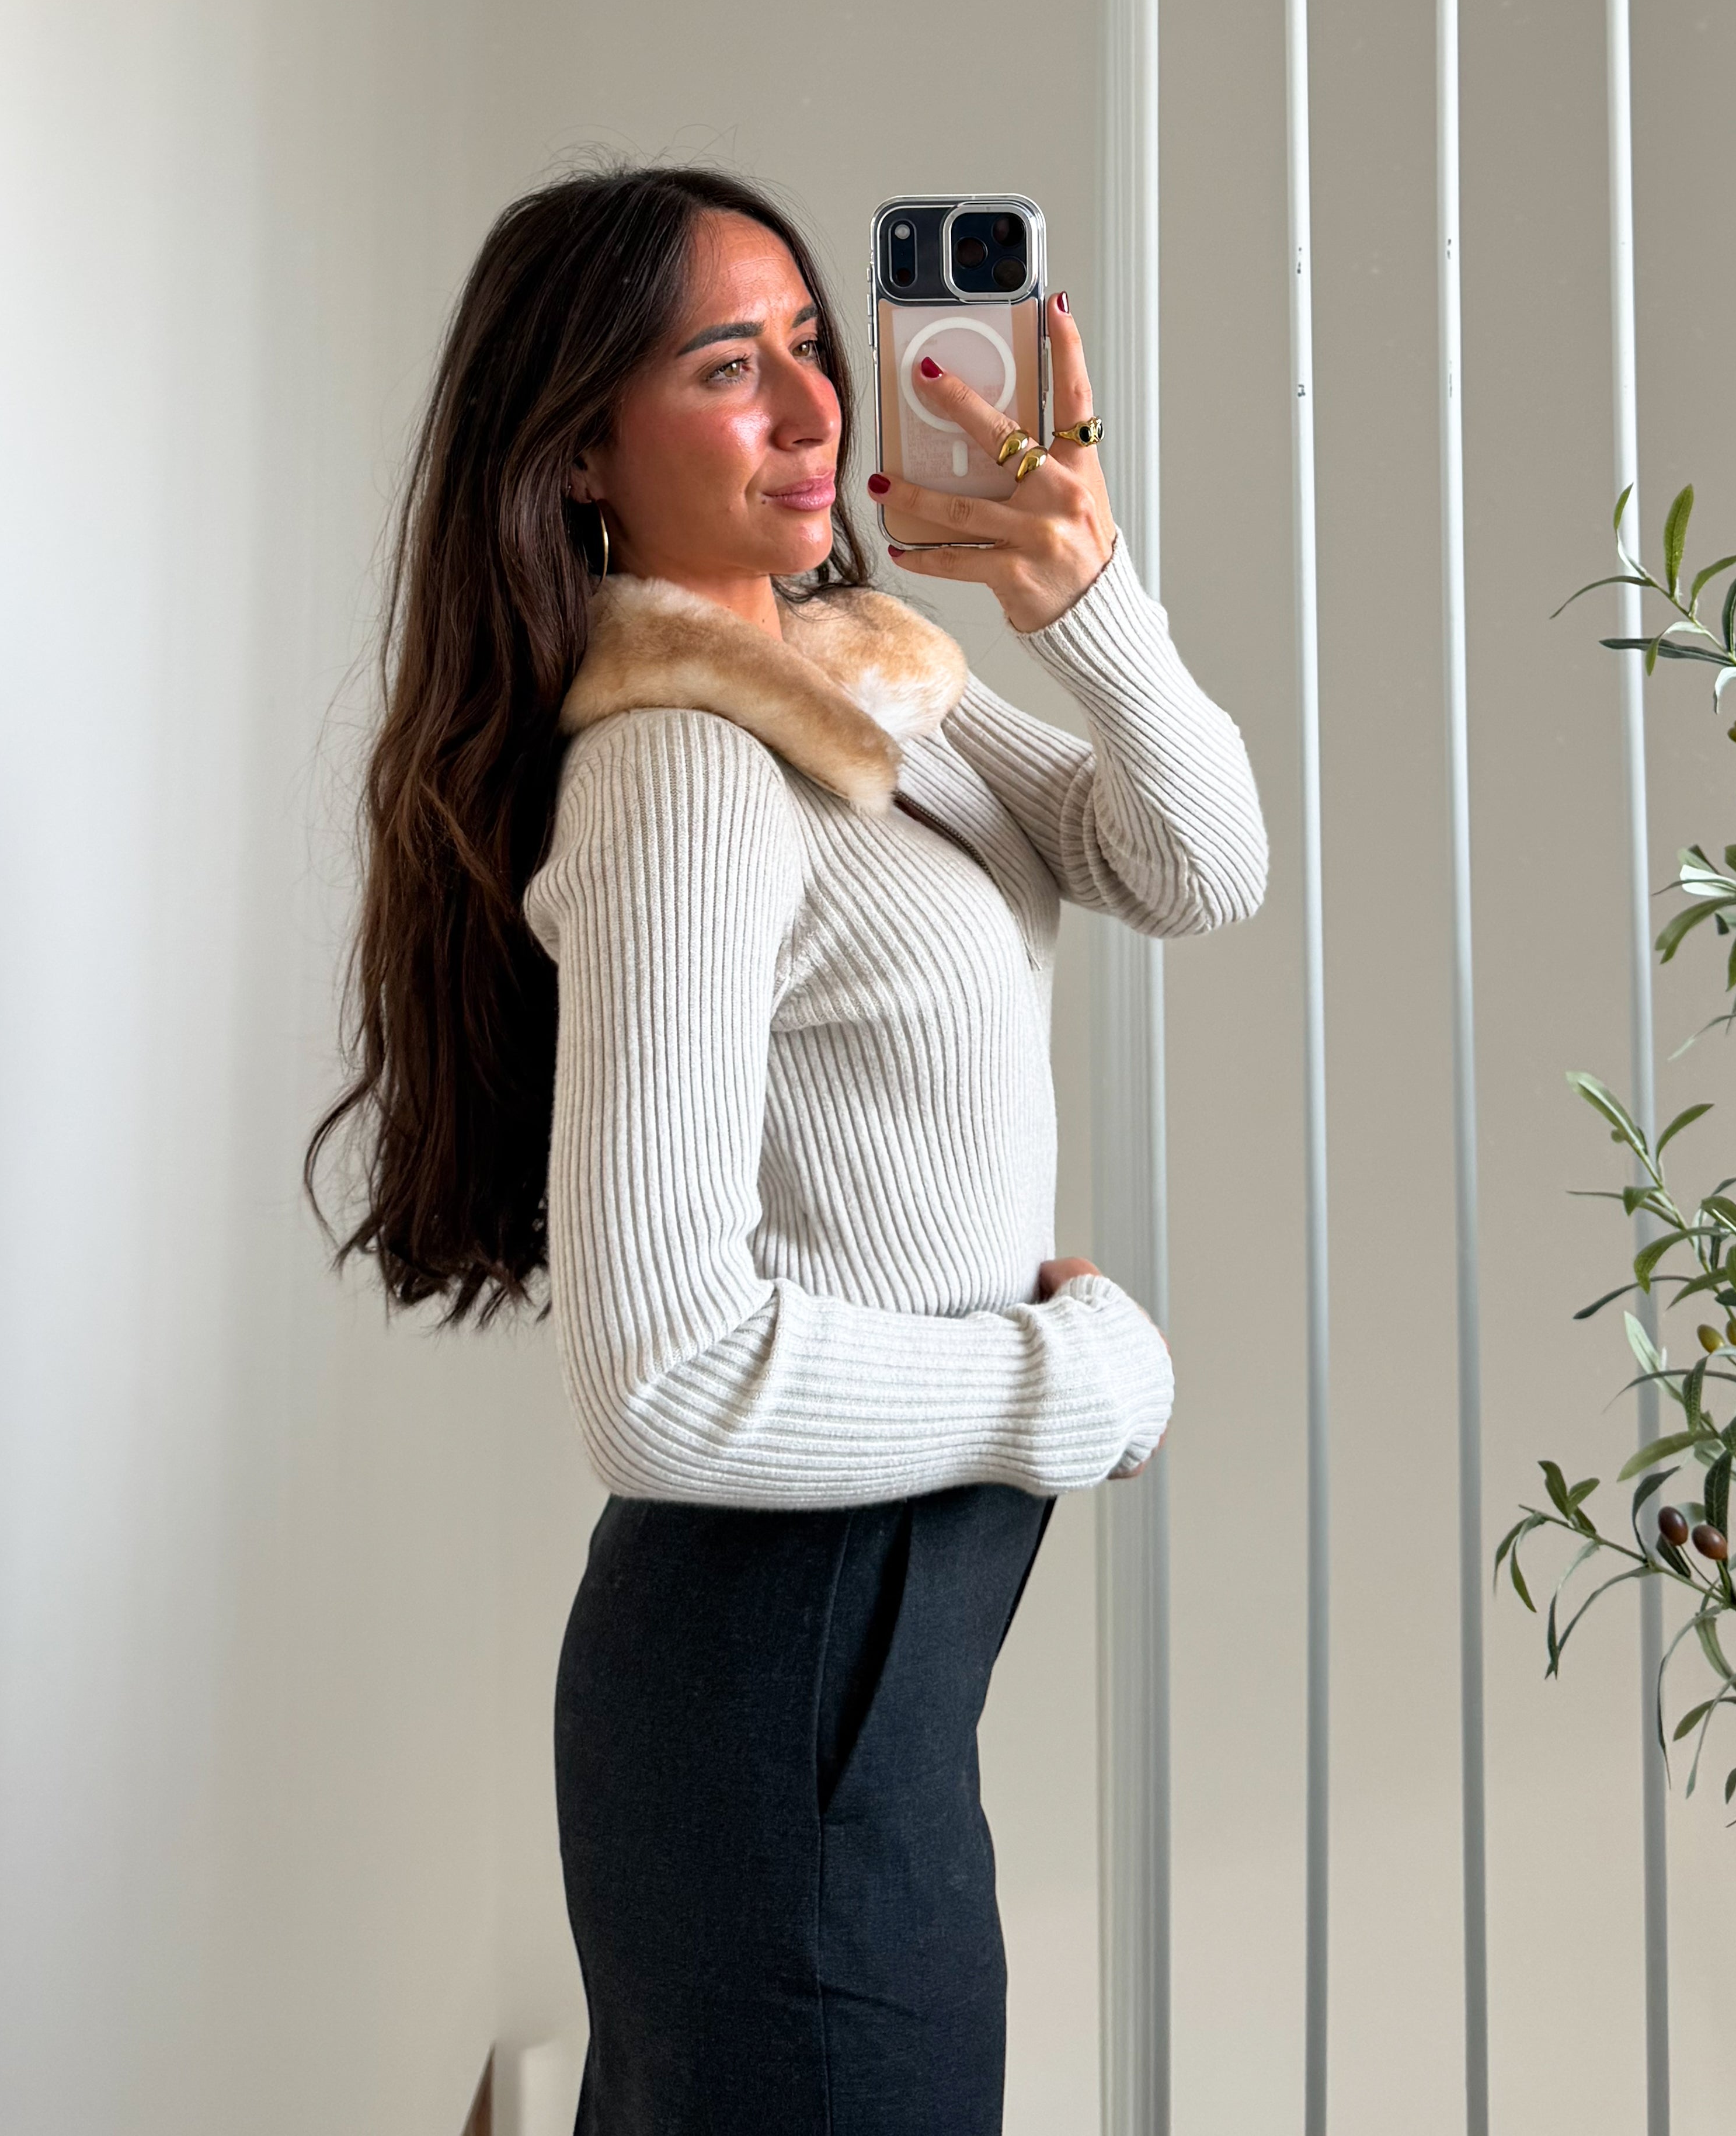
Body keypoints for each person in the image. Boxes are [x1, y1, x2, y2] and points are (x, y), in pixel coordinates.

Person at [310, 162, 1267, 2135]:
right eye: (727, 370)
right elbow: (657, 1386)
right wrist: (1070, 1377)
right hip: (775, 1690)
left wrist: (1089, 606)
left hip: (862, 1703)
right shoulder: (680, 761)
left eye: (814, 347)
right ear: (581, 450)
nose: (815, 409)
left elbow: (1194, 867)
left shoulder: (858, 683)